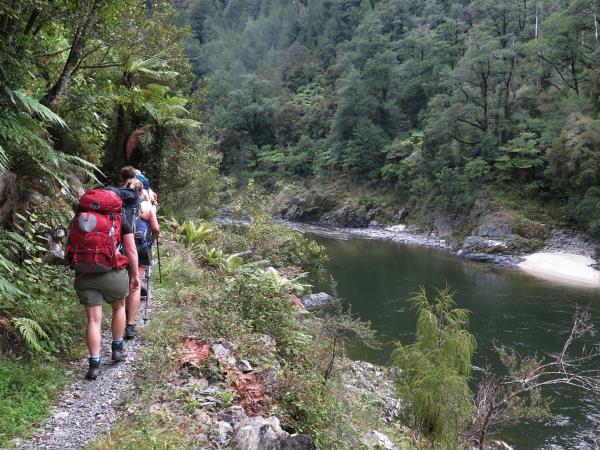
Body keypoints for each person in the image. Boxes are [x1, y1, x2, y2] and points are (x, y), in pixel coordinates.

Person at [72, 198, 140, 380]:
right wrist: (134, 274)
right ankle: (117, 349)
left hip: (84, 273)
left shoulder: (81, 218)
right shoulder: (119, 219)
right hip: (113, 273)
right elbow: (131, 250)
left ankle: (94, 364)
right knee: (118, 308)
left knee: (93, 320)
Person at [123, 178, 159, 339]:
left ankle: (120, 317)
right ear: (141, 191)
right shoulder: (147, 207)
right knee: (135, 284)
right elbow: (156, 229)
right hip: (141, 247)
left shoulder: (120, 205)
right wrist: (151, 240)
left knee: (123, 283)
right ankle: (130, 325)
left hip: (122, 247)